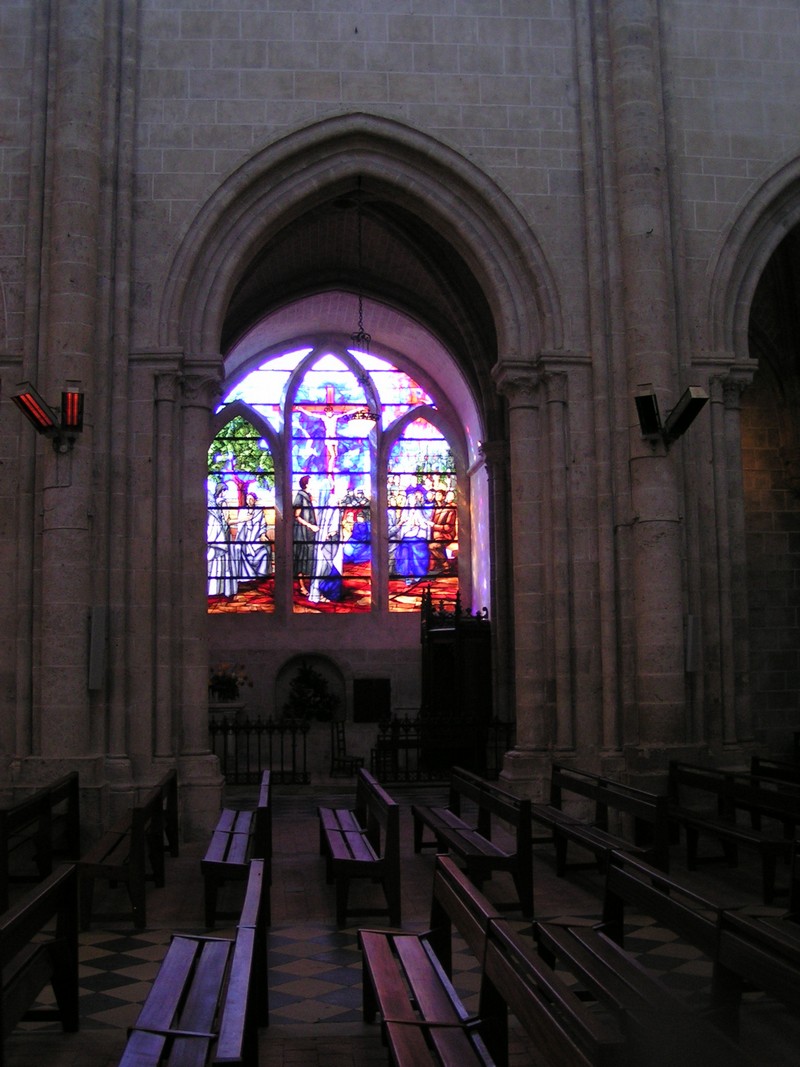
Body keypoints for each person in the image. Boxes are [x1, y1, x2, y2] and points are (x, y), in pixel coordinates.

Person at [308, 482, 344, 603]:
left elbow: (334, 523)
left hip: (326, 541)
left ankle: (320, 594)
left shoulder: (329, 503)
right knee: (322, 568)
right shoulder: (326, 504)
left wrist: (331, 533)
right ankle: (317, 594)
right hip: (325, 542)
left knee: (324, 568)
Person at [394, 484, 432, 583]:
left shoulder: (420, 511)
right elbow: (402, 523)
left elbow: (423, 521)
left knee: (419, 553)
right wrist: (409, 525)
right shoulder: (405, 512)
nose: (413, 501)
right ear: (408, 501)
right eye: (411, 500)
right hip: (407, 536)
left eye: (414, 500)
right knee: (405, 554)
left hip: (418, 537)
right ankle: (406, 576)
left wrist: (424, 524)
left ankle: (418, 575)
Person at [207, 481, 238, 597]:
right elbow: (226, 521)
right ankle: (221, 588)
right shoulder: (222, 503)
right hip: (222, 533)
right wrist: (242, 520)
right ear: (220, 491)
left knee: (218, 560)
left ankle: (215, 589)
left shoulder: (214, 503)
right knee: (222, 559)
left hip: (218, 533)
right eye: (224, 490)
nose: (225, 493)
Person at [236, 492, 272, 583]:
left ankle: (261, 575)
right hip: (245, 540)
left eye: (251, 499)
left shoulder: (259, 512)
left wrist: (263, 535)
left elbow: (263, 525)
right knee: (239, 550)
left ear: (255, 500)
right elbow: (239, 528)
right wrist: (245, 521)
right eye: (248, 499)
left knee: (264, 552)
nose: (249, 501)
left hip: (256, 539)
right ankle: (246, 577)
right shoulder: (243, 511)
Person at [293, 474, 318, 596]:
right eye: (312, 481)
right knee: (301, 560)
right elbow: (297, 516)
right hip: (301, 533)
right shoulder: (300, 497)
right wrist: (310, 526)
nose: (314, 483)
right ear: (306, 484)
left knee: (308, 559)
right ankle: (302, 588)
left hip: (309, 533)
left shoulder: (309, 496)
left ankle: (310, 587)